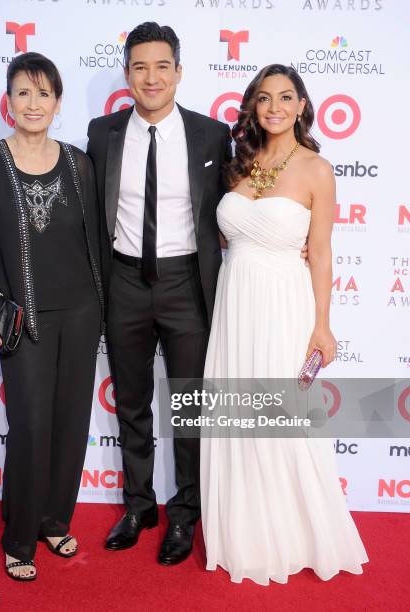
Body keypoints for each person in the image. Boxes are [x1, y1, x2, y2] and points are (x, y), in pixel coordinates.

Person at [200, 64, 368, 584]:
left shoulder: (317, 168)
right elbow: (229, 241)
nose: (274, 107)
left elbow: (320, 253)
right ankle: (244, 532)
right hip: (235, 305)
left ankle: (294, 534)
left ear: (301, 105)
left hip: (284, 306)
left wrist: (322, 326)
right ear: (252, 106)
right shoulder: (236, 167)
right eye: (264, 98)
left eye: (286, 97)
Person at [86, 22, 231, 565]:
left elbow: (239, 204)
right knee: (130, 402)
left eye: (162, 65)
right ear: (127, 74)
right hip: (123, 280)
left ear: (179, 71)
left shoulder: (212, 135)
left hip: (187, 283)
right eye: (140, 66)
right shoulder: (102, 134)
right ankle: (139, 504)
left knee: (190, 407)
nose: (151, 77)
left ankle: (185, 513)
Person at [0, 52, 104, 580]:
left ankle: (53, 519)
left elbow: (94, 244)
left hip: (83, 311)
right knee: (30, 425)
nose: (34, 103)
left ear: (58, 102)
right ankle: (19, 536)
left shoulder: (78, 162)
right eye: (24, 92)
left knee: (71, 424)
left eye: (44, 93)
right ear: (9, 101)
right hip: (23, 318)